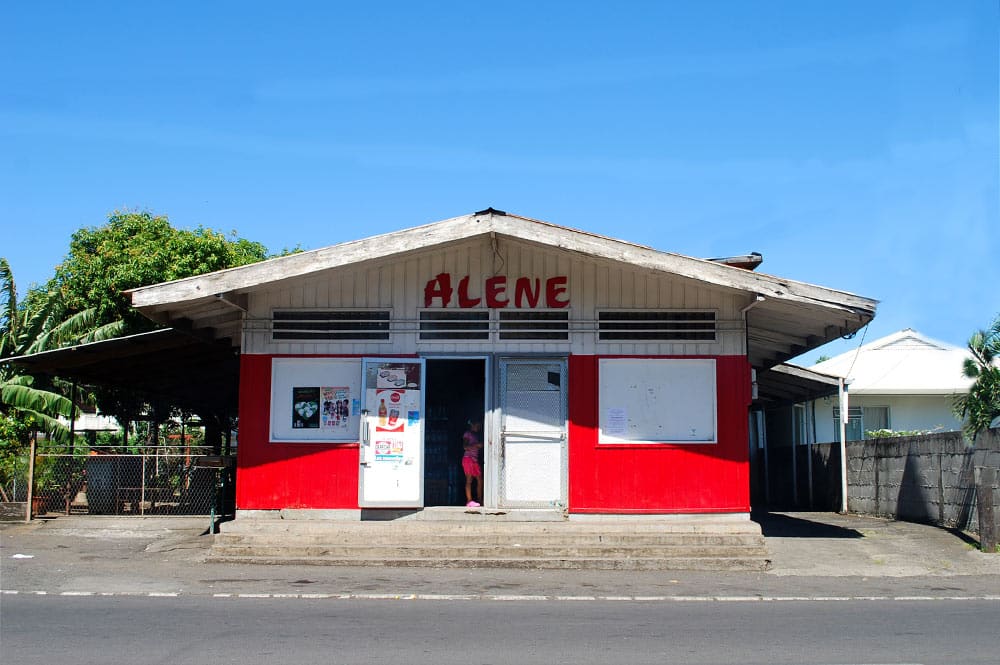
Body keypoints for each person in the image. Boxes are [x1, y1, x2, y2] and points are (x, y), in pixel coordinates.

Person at [462, 420, 483, 507]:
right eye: (477, 425)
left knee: (480, 480)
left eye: (479, 426)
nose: (478, 428)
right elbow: (465, 447)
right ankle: (469, 501)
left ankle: (480, 500)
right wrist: (477, 445)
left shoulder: (476, 435)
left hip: (474, 460)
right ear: (472, 425)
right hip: (468, 459)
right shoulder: (467, 434)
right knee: (469, 480)